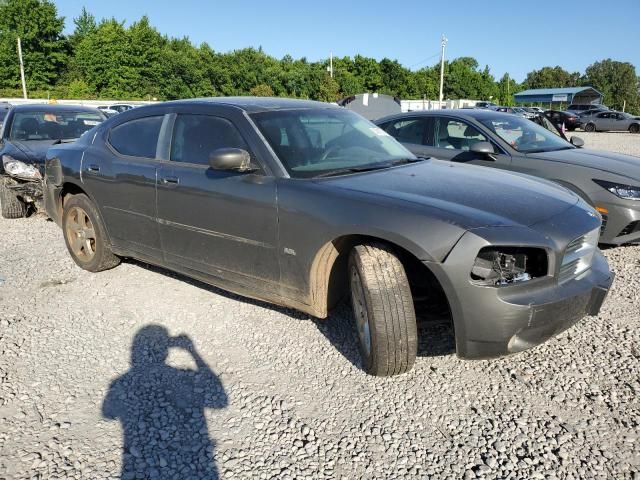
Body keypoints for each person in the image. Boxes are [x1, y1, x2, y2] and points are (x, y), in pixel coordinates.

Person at [103, 325, 228, 479]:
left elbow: (108, 413)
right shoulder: (183, 375)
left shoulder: (119, 383)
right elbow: (220, 401)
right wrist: (192, 351)